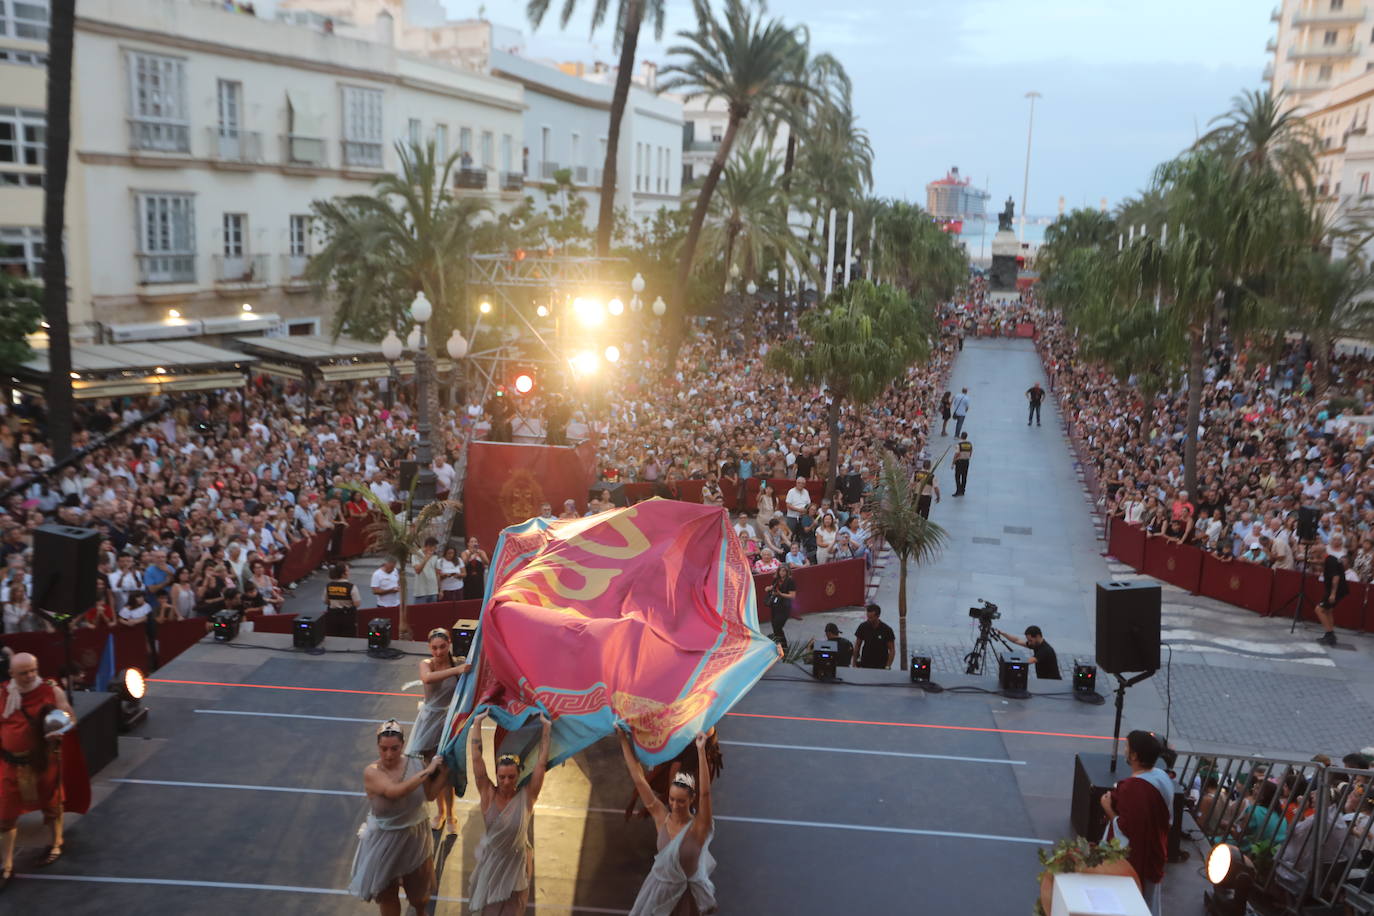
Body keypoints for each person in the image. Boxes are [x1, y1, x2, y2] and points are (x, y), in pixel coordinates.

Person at [348, 719, 446, 914]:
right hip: (384, 841)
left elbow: (430, 795)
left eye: (394, 748)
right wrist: (429, 769)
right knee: (387, 895)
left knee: (419, 897)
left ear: (402, 745)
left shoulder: (416, 764)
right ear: (377, 746)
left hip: (415, 837)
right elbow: (395, 792)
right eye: (383, 749)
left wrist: (446, 770)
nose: (389, 754)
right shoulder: (372, 772)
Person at [619, 730, 717, 916]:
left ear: (691, 799)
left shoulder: (699, 828)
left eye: (681, 801)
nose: (674, 805)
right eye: (672, 799)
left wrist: (701, 750)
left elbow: (705, 794)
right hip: (660, 893)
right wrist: (623, 739)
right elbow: (639, 780)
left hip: (685, 899)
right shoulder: (661, 817)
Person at [1, 652, 77, 885]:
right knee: (5, 814)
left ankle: (55, 843)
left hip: (41, 761)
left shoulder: (50, 691)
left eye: (33, 670)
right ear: (11, 674)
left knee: (52, 804)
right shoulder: (2, 694)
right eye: (23, 673)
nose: (30, 676)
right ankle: (6, 865)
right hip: (10, 763)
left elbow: (70, 717)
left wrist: (61, 729)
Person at [467, 709, 552, 915]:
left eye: (511, 777)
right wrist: (477, 723)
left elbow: (541, 762)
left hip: (517, 866)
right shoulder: (488, 794)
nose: (506, 782)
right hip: (493, 865)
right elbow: (477, 758)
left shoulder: (527, 796)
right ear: (496, 774)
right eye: (502, 776)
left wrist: (546, 728)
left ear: (519, 774)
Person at [1101, 730, 1173, 916]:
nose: (1124, 750)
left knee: (1132, 903)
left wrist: (1107, 807)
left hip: (1137, 858)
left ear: (1134, 755)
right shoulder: (1162, 778)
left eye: (1127, 747)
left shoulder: (1133, 789)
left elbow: (1126, 829)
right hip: (1156, 848)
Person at [405, 628, 470, 832]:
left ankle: (451, 814)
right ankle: (440, 812)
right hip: (429, 720)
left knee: (446, 769)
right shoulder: (427, 664)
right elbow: (427, 679)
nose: (439, 652)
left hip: (449, 721)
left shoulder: (459, 662)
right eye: (434, 648)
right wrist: (457, 671)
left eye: (442, 647)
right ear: (429, 648)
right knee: (431, 768)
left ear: (449, 643)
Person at [1314, 533, 1348, 646]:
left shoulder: (1330, 561)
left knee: (1319, 609)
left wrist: (1333, 594)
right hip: (1340, 590)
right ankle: (1330, 635)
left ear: (1320, 552)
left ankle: (1330, 634)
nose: (1314, 555)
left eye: (1315, 553)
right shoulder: (1331, 559)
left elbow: (1336, 577)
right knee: (1328, 611)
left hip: (1336, 590)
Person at [997, 625, 1061, 679]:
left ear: (1038, 636)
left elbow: (1028, 661)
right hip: (1044, 681)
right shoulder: (1036, 644)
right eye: (1028, 640)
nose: (1029, 643)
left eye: (1030, 640)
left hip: (1052, 683)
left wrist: (1010, 663)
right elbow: (1017, 640)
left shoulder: (1045, 650)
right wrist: (1003, 634)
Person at [853, 603, 895, 669]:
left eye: (871, 618)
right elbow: (857, 646)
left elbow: (892, 649)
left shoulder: (886, 630)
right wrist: (854, 663)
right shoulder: (863, 627)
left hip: (881, 665)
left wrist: (888, 665)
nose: (868, 619)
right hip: (865, 663)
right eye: (868, 617)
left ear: (878, 616)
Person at [766, 564, 796, 648]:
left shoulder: (790, 581)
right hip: (775, 606)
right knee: (775, 626)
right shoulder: (776, 580)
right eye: (780, 571)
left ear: (787, 572)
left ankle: (784, 646)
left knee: (778, 626)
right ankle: (779, 646)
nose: (782, 573)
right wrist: (768, 588)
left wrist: (781, 594)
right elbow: (772, 587)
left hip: (784, 607)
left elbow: (792, 596)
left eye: (784, 571)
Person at [412, 537, 440, 605]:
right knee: (420, 614)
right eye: (434, 547)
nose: (435, 549)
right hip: (421, 592)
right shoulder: (416, 554)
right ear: (428, 546)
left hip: (433, 591)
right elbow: (418, 570)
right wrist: (426, 558)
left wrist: (439, 589)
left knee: (432, 614)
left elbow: (437, 573)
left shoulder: (435, 555)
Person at [952, 432, 973, 497]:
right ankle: (963, 490)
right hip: (966, 461)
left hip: (959, 462)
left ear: (961, 436)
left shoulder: (959, 445)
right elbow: (971, 452)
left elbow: (957, 454)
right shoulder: (970, 444)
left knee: (957, 476)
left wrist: (953, 462)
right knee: (964, 476)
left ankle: (958, 491)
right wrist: (968, 457)